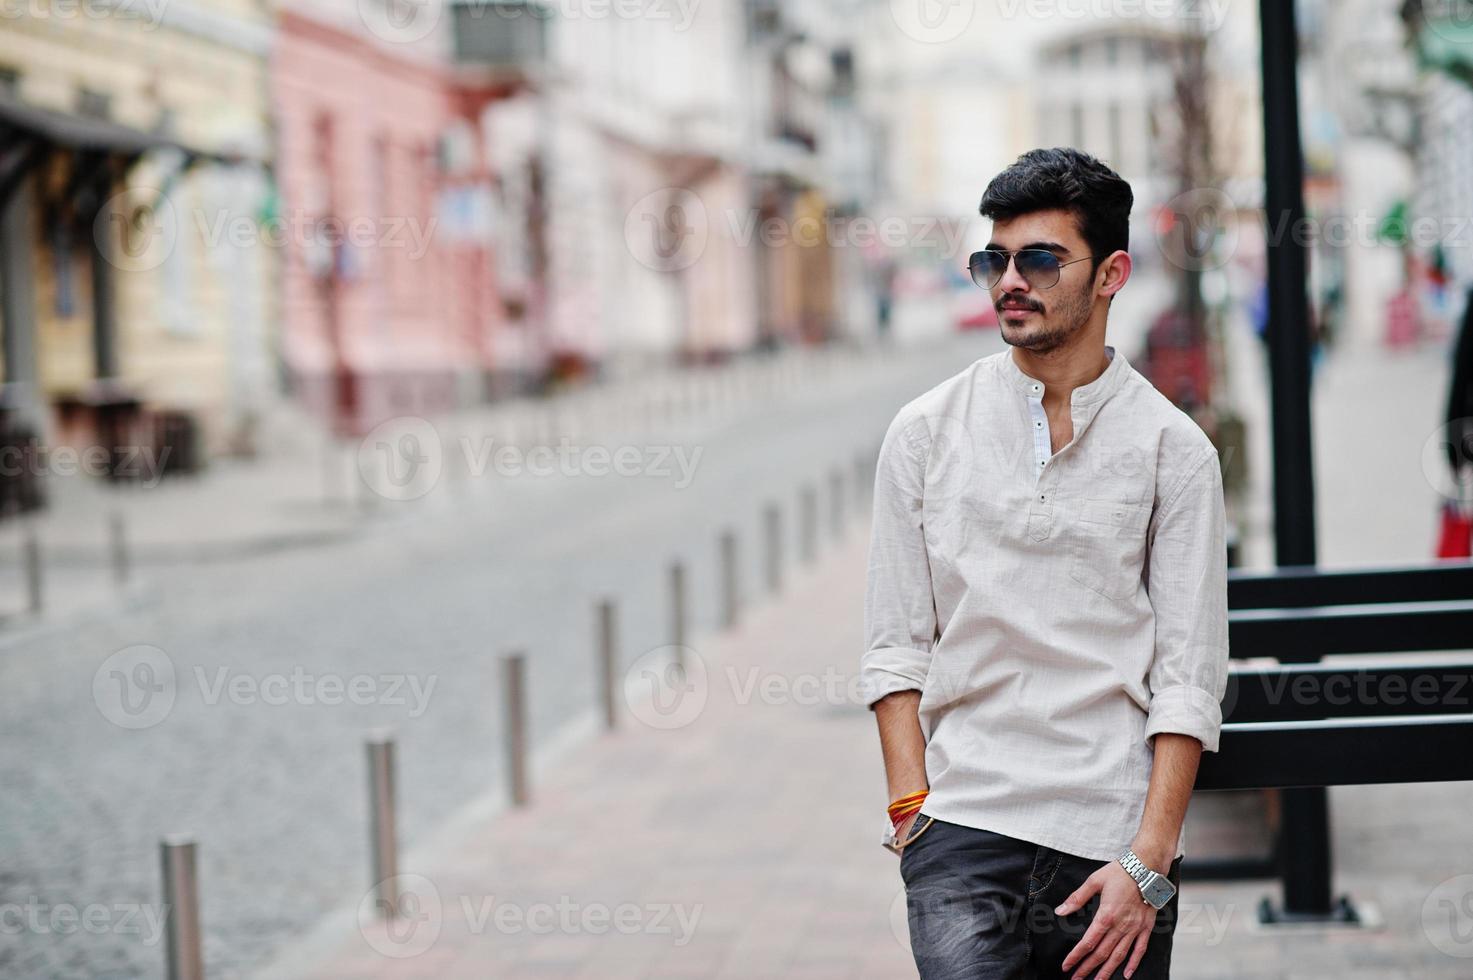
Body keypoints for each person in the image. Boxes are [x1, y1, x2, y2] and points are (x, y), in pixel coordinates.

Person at [862, 148, 1229, 980]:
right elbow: (893, 644)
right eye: (994, 259)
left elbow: (1188, 676)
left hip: (1110, 838)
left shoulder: (1174, 452)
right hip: (961, 830)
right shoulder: (923, 433)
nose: (1008, 281)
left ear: (1111, 274)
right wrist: (911, 810)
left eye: (1038, 259)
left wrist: (1149, 862)